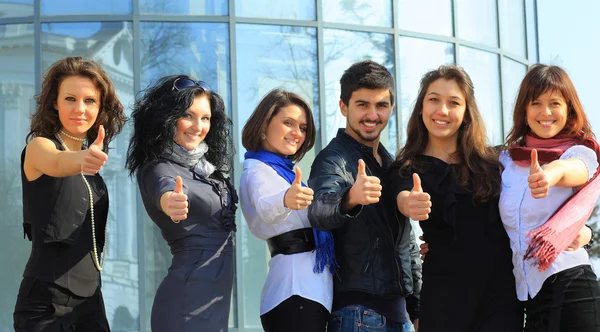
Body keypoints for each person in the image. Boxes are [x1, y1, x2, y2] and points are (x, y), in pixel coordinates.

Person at [389, 65, 523, 331]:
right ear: (421, 107)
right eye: (434, 100)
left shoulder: (496, 162)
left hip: (500, 298)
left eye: (454, 102)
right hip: (443, 300)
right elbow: (402, 196)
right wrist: (409, 203)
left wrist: (583, 231)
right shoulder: (406, 166)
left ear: (466, 113)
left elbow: (537, 204)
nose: (443, 110)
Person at [14, 56, 126, 331]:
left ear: (100, 109)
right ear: (54, 102)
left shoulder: (94, 172)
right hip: (45, 304)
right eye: (70, 99)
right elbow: (56, 163)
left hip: (90, 303)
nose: (80, 109)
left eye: (90, 101)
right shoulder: (40, 147)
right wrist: (83, 158)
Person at [308, 60, 421, 332]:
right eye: (362, 104)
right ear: (344, 106)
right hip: (358, 316)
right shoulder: (333, 159)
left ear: (391, 108)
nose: (372, 114)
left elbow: (407, 242)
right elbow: (318, 211)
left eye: (381, 105)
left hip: (399, 316)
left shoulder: (393, 164)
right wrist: (350, 199)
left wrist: (417, 307)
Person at [125, 75, 237, 331]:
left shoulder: (207, 169)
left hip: (214, 304)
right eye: (188, 115)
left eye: (206, 118)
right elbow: (164, 188)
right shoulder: (159, 167)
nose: (198, 126)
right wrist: (171, 202)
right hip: (185, 304)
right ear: (167, 117)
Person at [500, 64, 600, 331]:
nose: (545, 113)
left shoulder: (580, 152)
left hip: (572, 287)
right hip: (529, 298)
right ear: (524, 109)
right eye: (536, 103)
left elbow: (574, 170)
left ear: (568, 109)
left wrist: (550, 174)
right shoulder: (506, 161)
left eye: (554, 103)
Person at [239, 88, 333, 332]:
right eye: (288, 123)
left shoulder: (284, 171)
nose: (297, 133)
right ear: (263, 126)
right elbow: (265, 207)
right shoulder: (257, 169)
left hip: (308, 292)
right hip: (294, 293)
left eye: (303, 127)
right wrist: (285, 199)